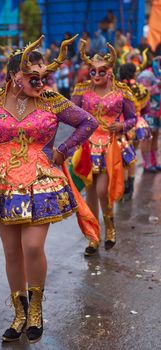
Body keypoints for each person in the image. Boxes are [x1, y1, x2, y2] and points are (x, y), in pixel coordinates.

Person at [0, 35, 98, 343]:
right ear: (14, 76)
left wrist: (63, 150)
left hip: (41, 182)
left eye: (45, 77)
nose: (41, 82)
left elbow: (87, 122)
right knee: (12, 251)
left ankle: (36, 309)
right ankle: (19, 313)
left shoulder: (51, 100)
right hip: (1, 183)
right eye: (33, 77)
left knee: (32, 246)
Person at [71, 40, 137, 256]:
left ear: (110, 72)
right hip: (88, 145)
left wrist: (121, 125)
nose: (96, 75)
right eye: (92, 71)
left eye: (101, 71)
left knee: (102, 191)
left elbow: (132, 118)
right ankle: (93, 237)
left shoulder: (122, 91)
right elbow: (71, 114)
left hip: (110, 145)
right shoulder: (82, 90)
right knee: (89, 191)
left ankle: (109, 226)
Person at [119, 62, 150, 199]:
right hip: (137, 124)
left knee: (123, 158)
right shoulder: (140, 89)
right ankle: (130, 188)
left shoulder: (116, 88)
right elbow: (146, 109)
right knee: (132, 156)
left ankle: (124, 186)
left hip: (121, 125)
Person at [137, 55, 161, 172]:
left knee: (155, 136)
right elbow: (142, 92)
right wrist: (157, 86)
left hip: (158, 111)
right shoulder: (146, 75)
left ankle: (154, 162)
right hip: (148, 111)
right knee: (147, 137)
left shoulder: (158, 72)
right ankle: (147, 164)